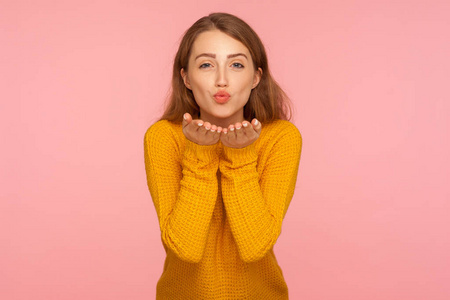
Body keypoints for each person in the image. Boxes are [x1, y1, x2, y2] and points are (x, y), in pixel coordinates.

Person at [144, 12, 302, 299]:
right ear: (186, 78)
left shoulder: (281, 137)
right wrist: (200, 155)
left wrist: (240, 157)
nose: (221, 80)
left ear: (256, 77)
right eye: (206, 64)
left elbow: (255, 246)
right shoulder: (163, 137)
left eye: (236, 65)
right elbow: (185, 248)